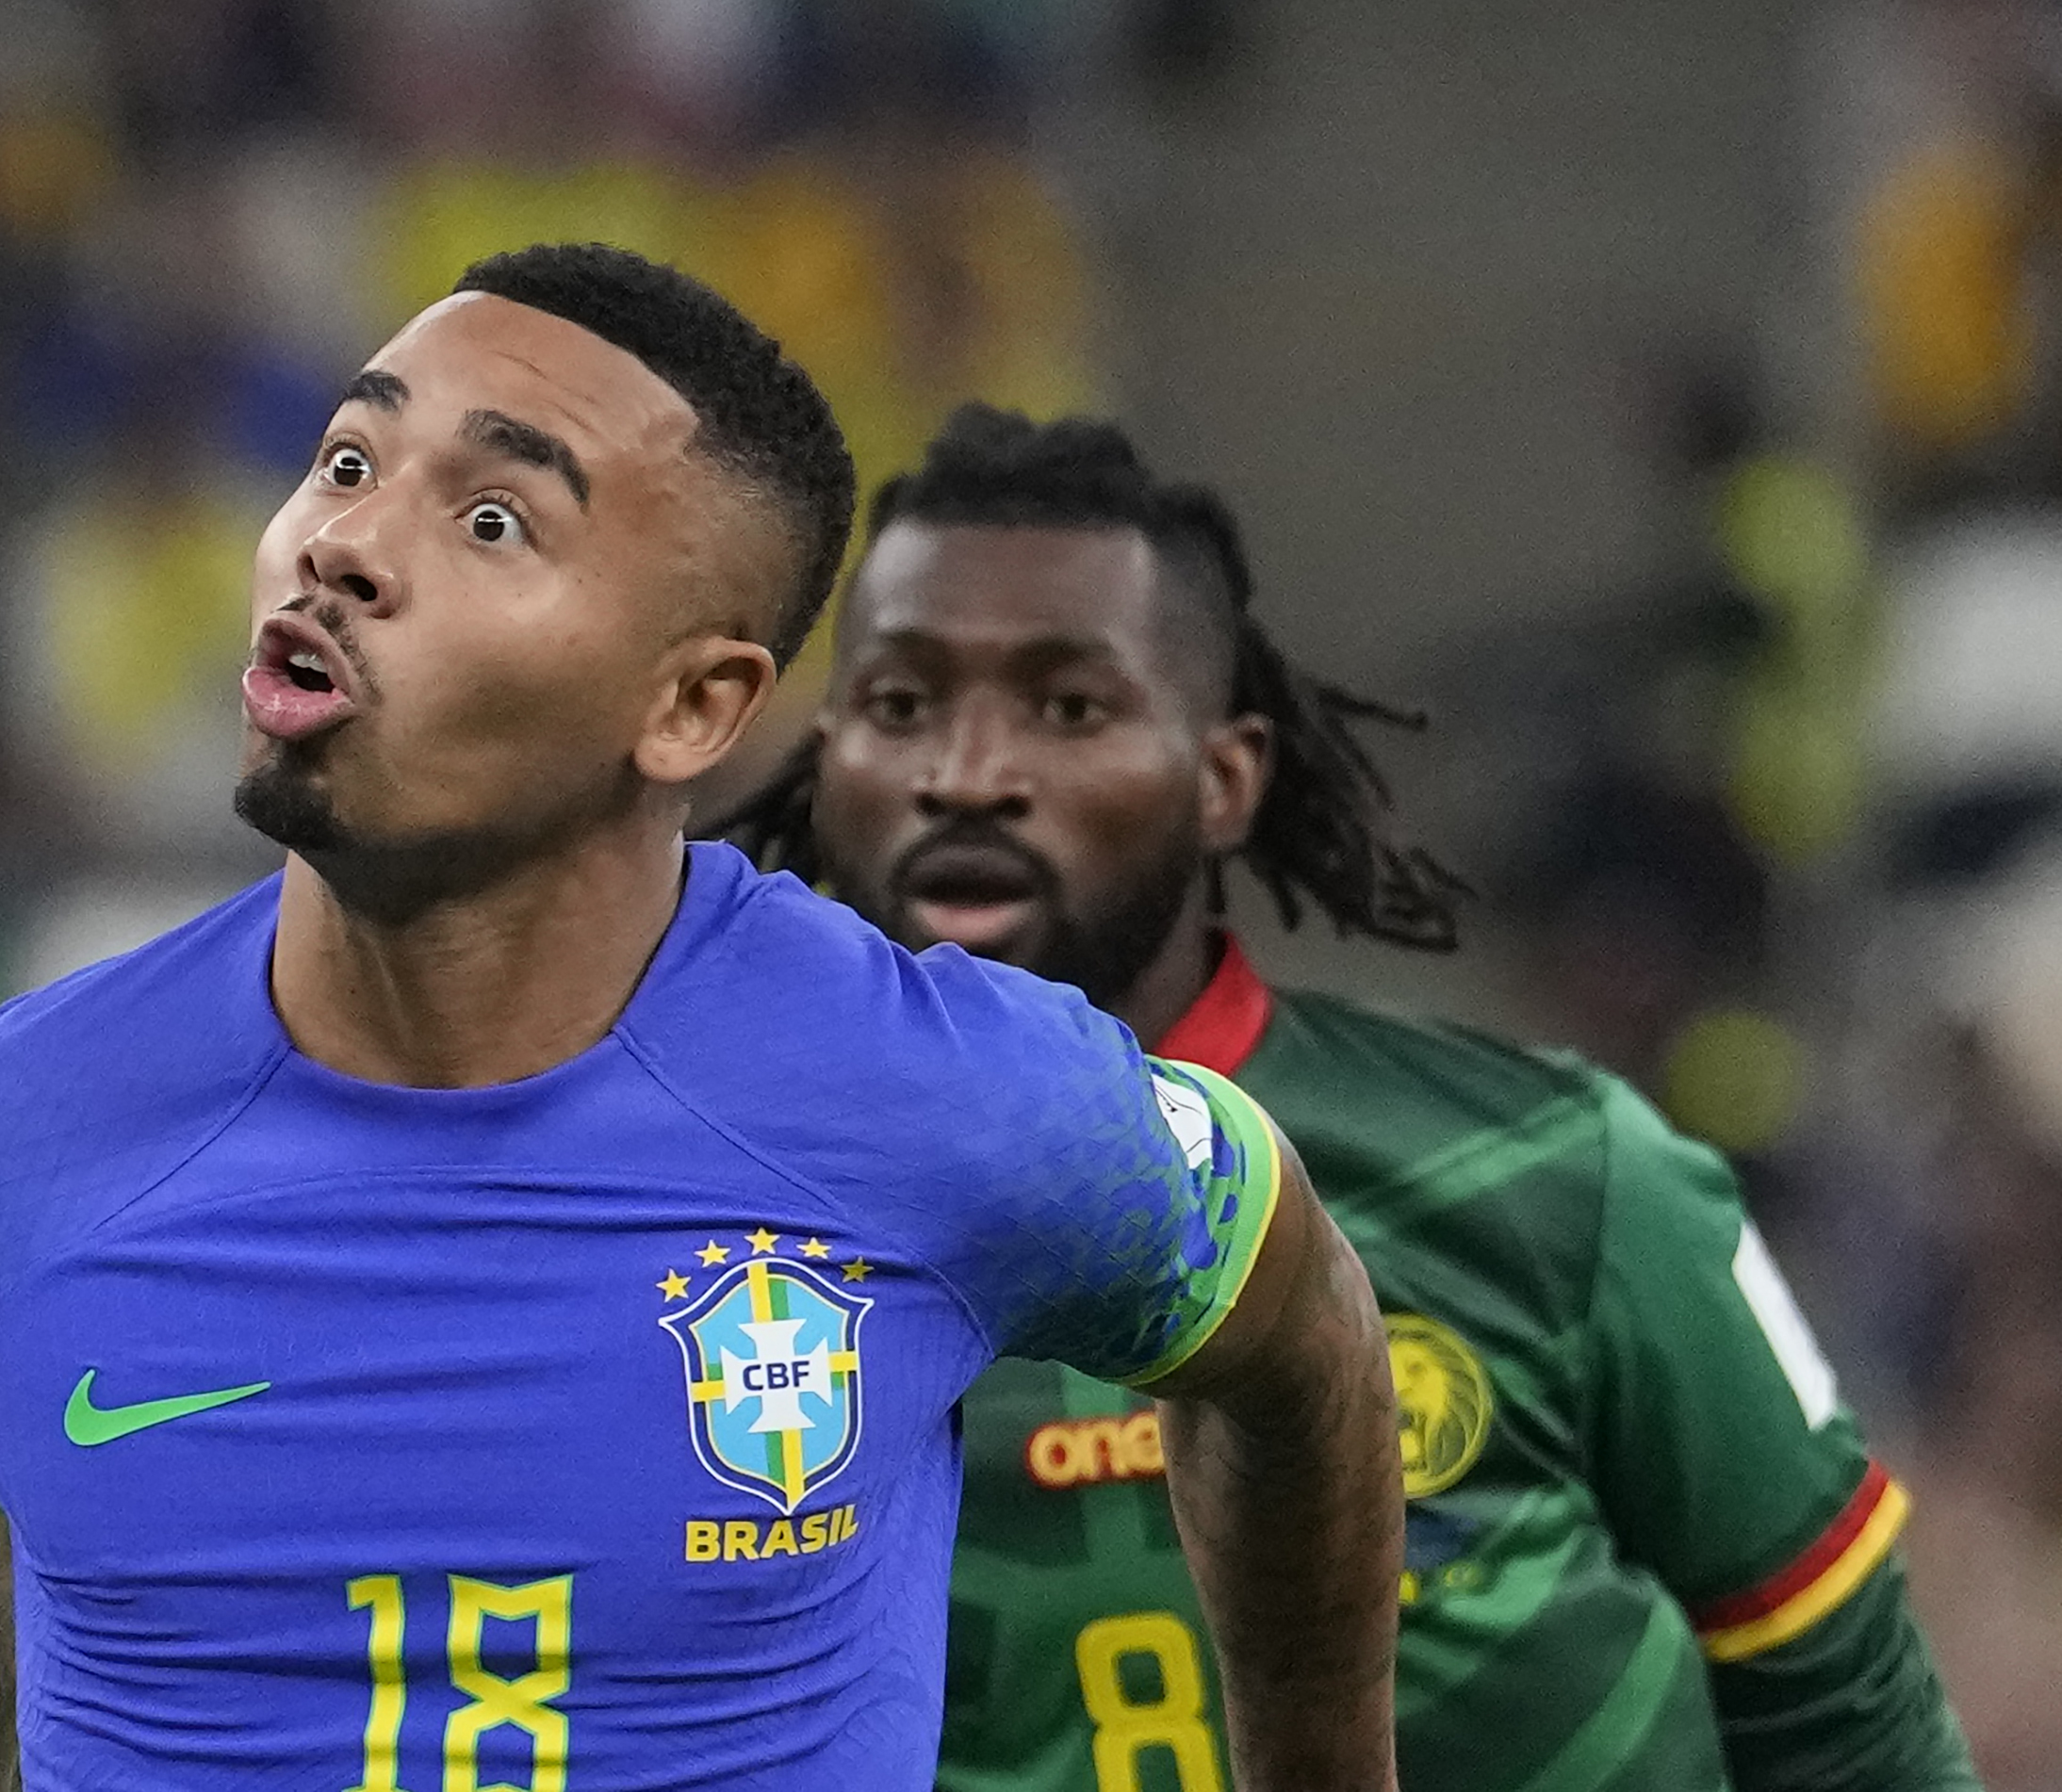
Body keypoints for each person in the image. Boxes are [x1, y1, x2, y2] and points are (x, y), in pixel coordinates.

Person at [0, 245, 1404, 1791]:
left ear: (691, 705)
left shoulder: (961, 1109)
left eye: (489, 523)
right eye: (345, 463)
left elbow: (1303, 1336)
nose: (345, 544)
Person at [714, 403, 1981, 1791]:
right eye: (901, 706)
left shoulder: (1553, 1177)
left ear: (1225, 778)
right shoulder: (693, 1224)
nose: (968, 773)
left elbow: (1851, 1716)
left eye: (1069, 708)